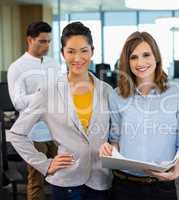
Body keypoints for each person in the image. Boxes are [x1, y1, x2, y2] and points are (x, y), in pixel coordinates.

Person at [8, 22, 112, 200]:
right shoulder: (49, 91)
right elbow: (16, 134)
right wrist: (45, 165)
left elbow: (115, 134)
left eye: (84, 50)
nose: (78, 57)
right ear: (63, 53)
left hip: (100, 180)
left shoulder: (106, 91)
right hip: (67, 182)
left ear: (92, 52)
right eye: (71, 51)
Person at [99, 31, 179, 200]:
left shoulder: (178, 92)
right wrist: (109, 150)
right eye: (133, 57)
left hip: (161, 186)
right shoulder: (116, 95)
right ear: (127, 62)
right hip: (124, 186)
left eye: (146, 55)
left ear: (156, 56)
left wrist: (175, 173)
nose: (140, 62)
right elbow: (116, 139)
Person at [7, 21, 58, 200]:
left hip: (57, 130)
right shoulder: (17, 67)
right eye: (42, 41)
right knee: (36, 181)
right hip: (34, 133)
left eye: (49, 41)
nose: (47, 46)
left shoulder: (53, 64)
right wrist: (41, 95)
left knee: (64, 177)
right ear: (30, 40)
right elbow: (18, 102)